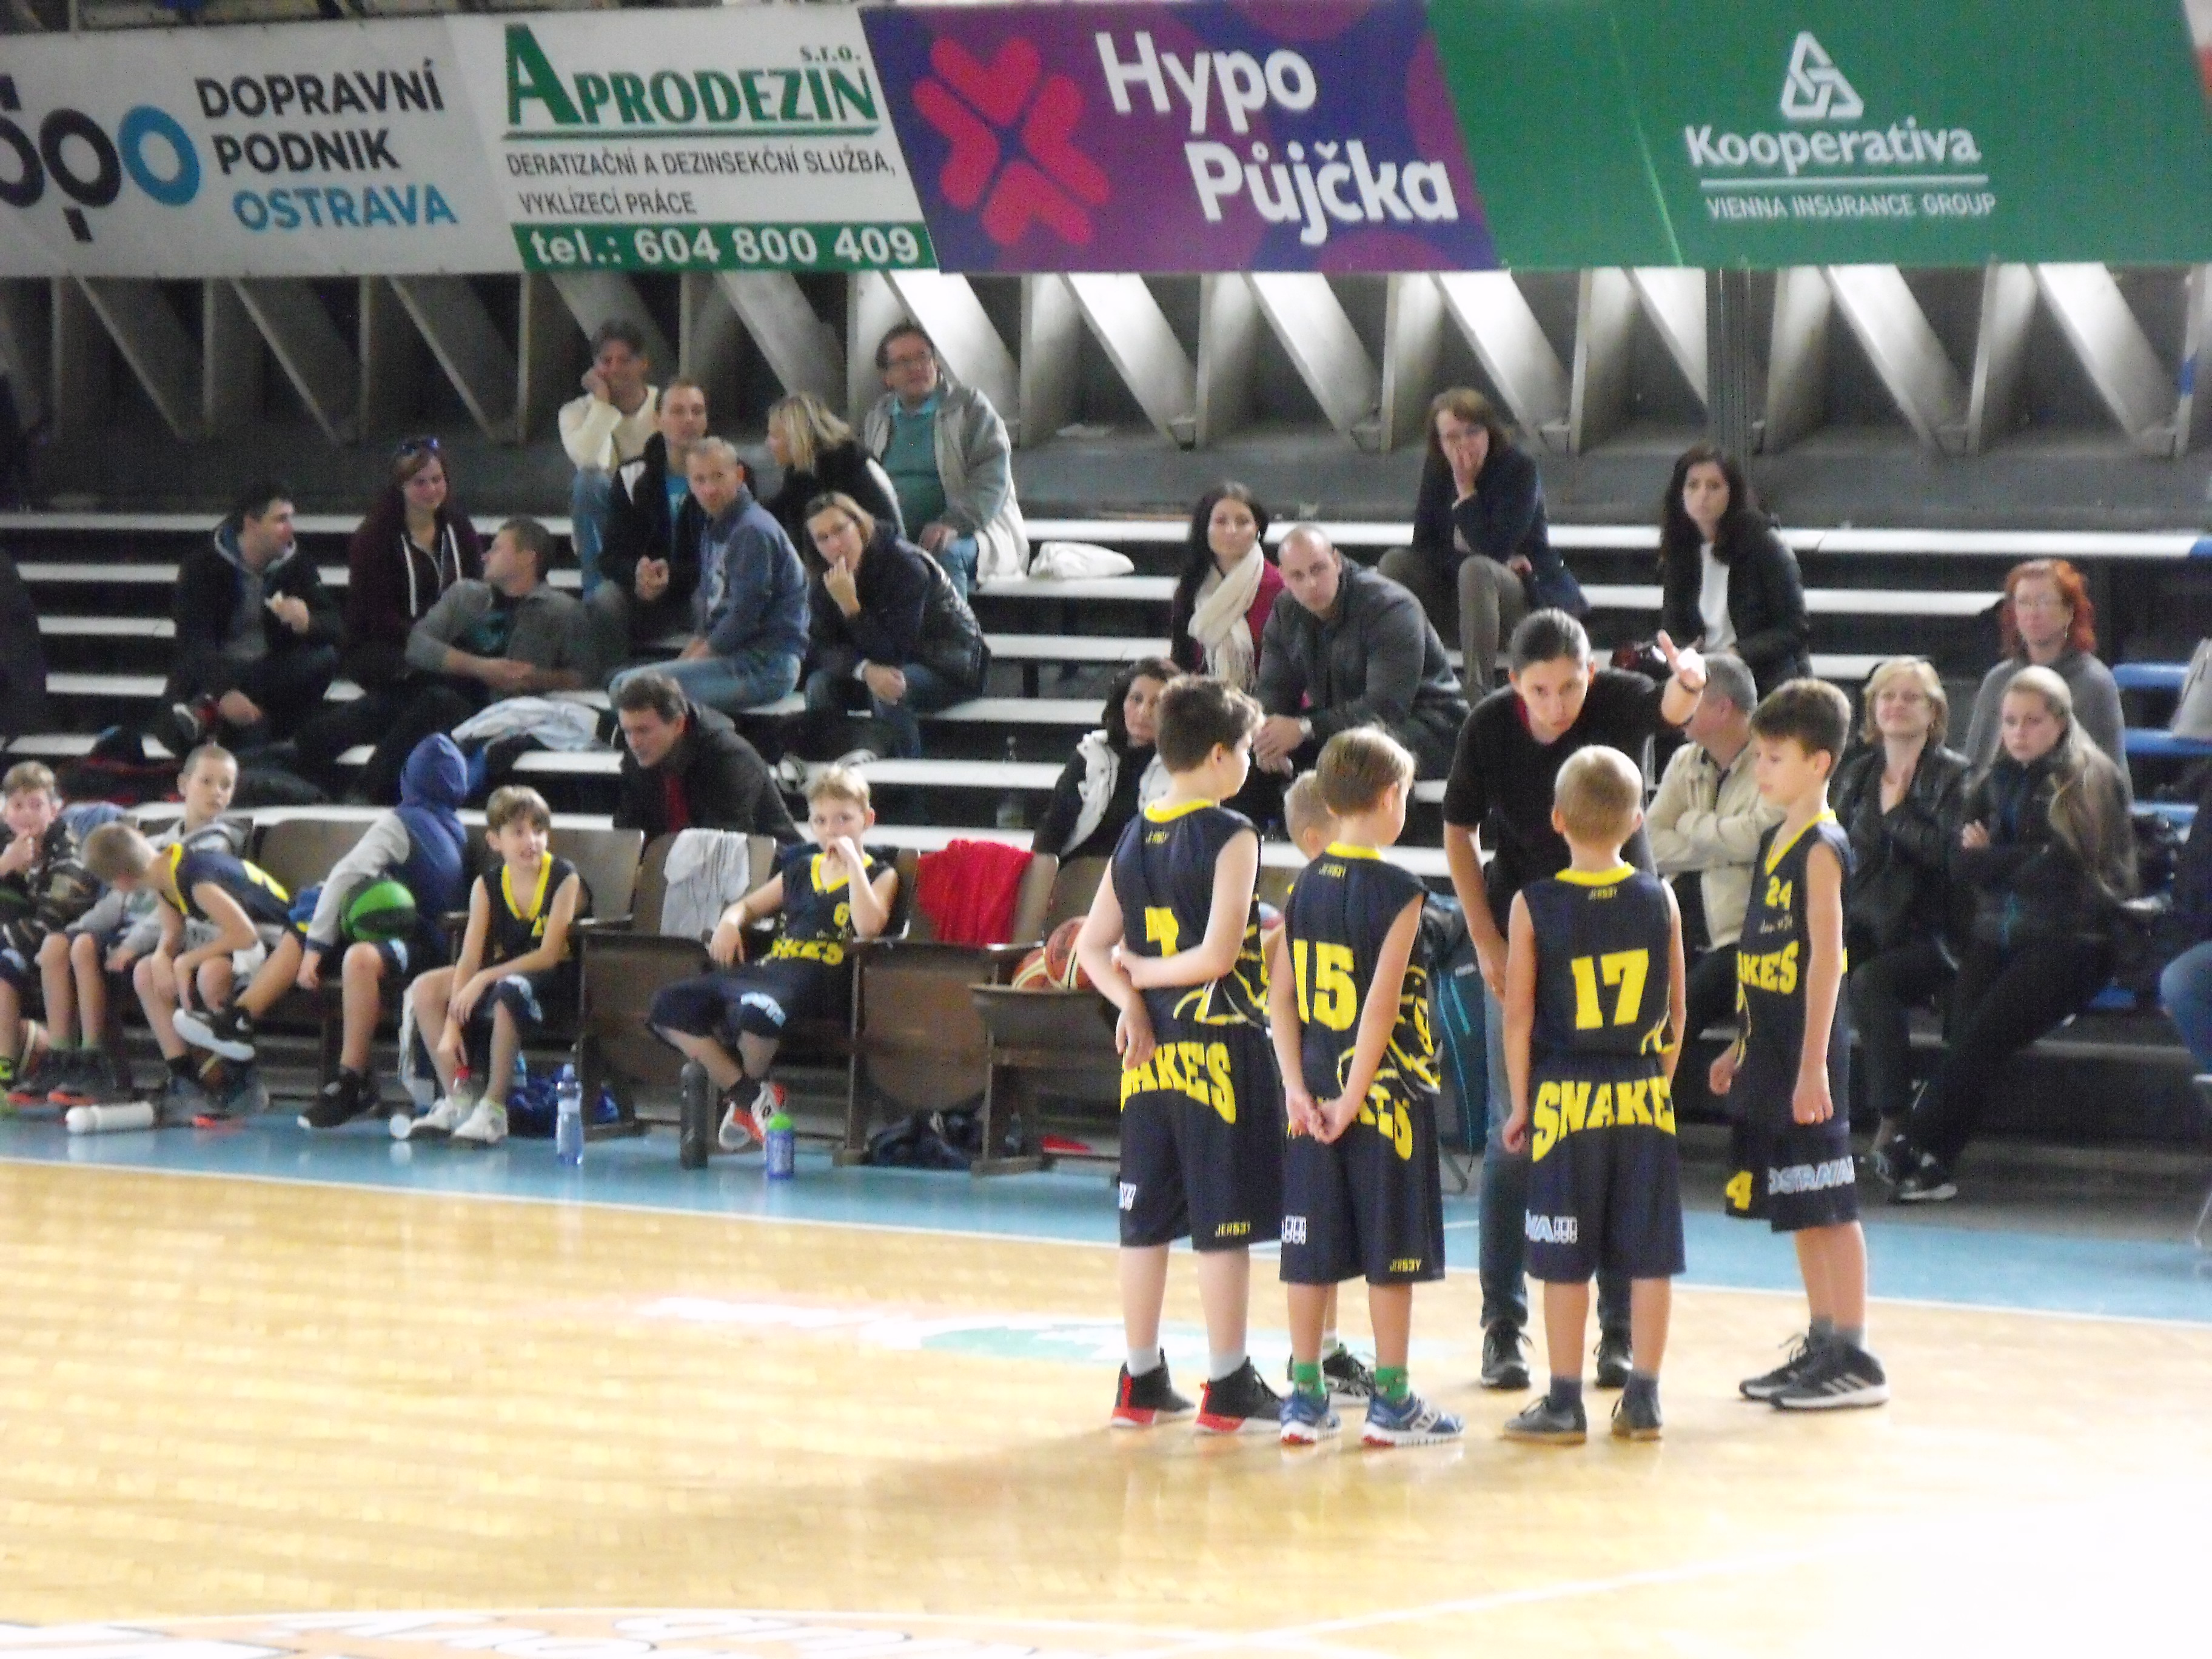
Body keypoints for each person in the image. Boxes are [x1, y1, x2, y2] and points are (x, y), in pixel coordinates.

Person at [1440, 608, 1706, 1392]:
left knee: (1617, 1146)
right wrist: (1485, 938)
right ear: (1514, 684)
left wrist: (1692, 682)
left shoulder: (1616, 696)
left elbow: (1673, 708)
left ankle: (1617, 1334)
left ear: (1591, 673)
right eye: (1540, 691)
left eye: (1569, 687)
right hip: (1529, 930)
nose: (1557, 705)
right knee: (1513, 1137)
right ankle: (1503, 1326)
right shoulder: (1490, 727)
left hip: (1621, 924)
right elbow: (1458, 832)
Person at [1074, 676, 1282, 1433]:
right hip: (1215, 1047)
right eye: (1246, 752)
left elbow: (1090, 947)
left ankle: (1139, 1378)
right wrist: (1147, 976)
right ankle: (1227, 1383)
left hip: (1147, 1054)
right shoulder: (1234, 834)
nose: (1249, 765)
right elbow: (1219, 956)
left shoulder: (1136, 831)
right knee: (1223, 1226)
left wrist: (1130, 998)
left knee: (1146, 1219)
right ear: (1221, 755)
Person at [1271, 728, 1462, 1449]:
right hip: (1379, 1102)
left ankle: (1306, 1396)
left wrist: (1296, 1088)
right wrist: (1352, 1100)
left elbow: (1281, 997)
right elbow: (1380, 1008)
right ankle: (1393, 1401)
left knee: (1309, 1250)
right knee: (1391, 1255)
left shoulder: (1303, 885)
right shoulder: (1400, 891)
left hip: (1311, 1097)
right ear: (1389, 799)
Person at [1882, 667, 2134, 1202]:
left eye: (2033, 722)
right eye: (2011, 721)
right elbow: (1960, 863)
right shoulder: (1992, 779)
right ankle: (1934, 1162)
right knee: (1963, 1034)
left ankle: (1913, 1142)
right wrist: (2005, 860)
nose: (2019, 733)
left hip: (2072, 939)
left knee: (1982, 1036)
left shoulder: (2086, 779)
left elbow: (2065, 869)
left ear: (2060, 723)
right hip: (1997, 932)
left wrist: (1991, 858)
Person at [1499, 745, 1687, 1444]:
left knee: (1564, 1256)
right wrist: (1657, 1086)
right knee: (1650, 1256)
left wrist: (1522, 1103)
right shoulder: (1661, 898)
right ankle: (1645, 1397)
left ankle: (1563, 1400)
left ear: (1557, 819)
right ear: (1637, 821)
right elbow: (1676, 1013)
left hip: (1567, 1096)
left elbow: (1518, 1016)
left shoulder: (1532, 904)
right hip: (1640, 1091)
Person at [1709, 678, 1886, 1409]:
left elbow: (1825, 961)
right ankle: (1822, 1340)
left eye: (1774, 758)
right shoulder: (1774, 838)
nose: (1760, 769)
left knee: (1830, 1204)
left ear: (1819, 763)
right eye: (1758, 756)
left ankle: (1855, 1354)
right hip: (1773, 1048)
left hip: (1809, 1057)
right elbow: (1761, 953)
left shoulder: (1821, 847)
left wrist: (1815, 1065)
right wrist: (1740, 1043)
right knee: (1800, 1206)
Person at [652, 766, 897, 1153]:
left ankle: (748, 1105)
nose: (832, 830)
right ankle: (750, 1097)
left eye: (844, 819)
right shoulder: (800, 868)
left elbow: (868, 926)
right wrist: (730, 922)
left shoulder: (880, 874)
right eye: (821, 821)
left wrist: (853, 864)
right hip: (775, 967)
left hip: (824, 977)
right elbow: (747, 906)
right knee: (668, 1005)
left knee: (758, 1012)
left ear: (867, 820)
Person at [289, 735, 471, 1130]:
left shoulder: (400, 822)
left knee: (358, 959)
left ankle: (351, 1081)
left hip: (423, 945)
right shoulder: (457, 827)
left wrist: (315, 947)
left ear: (408, 778)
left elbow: (344, 875)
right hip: (447, 948)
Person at [49, 745, 244, 1109]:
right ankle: (85, 1060)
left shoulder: (217, 846)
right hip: (145, 938)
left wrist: (135, 945)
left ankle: (195, 1074)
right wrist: (75, 929)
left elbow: (172, 912)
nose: (216, 792)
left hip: (189, 938)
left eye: (226, 785)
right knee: (73, 944)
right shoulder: (153, 844)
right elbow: (118, 900)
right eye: (206, 781)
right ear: (183, 785)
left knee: (141, 969)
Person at [1829, 659, 1969, 1161]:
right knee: (1801, 964)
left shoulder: (1956, 776)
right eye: (1887, 696)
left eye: (1911, 697)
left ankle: (1893, 1116)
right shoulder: (1856, 773)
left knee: (1872, 981)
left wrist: (1896, 816)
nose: (1896, 705)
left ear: (1934, 711)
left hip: (1932, 934)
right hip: (1865, 921)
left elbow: (1953, 859)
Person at [82, 817, 301, 1123]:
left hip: (276, 937)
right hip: (236, 939)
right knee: (146, 971)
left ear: (121, 882)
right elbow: (172, 933)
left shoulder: (196, 879)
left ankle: (243, 1080)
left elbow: (246, 935)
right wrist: (162, 957)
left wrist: (186, 961)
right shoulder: (163, 874)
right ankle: (185, 1078)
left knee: (212, 974)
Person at [295, 440, 484, 793]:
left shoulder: (459, 527)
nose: (431, 490)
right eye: (420, 483)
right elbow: (375, 616)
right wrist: (427, 644)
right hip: (383, 648)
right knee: (435, 696)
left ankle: (342, 764)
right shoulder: (375, 537)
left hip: (442, 654)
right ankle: (361, 781)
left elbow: (476, 587)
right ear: (400, 486)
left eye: (437, 480)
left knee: (431, 699)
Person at [360, 518, 592, 804]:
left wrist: (537, 678)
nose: (485, 556)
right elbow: (417, 646)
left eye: (496, 548)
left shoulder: (563, 611)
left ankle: (369, 792)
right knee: (371, 709)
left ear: (528, 558)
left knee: (437, 703)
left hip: (486, 709)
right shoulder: (466, 594)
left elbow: (585, 675)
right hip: (434, 691)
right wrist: (482, 668)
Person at [402, 786, 584, 1147]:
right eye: (519, 832)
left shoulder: (565, 877)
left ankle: (495, 1110)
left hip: (555, 981)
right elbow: (470, 959)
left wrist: (483, 977)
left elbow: (548, 956)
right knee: (426, 988)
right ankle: (459, 1098)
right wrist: (452, 1025)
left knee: (508, 990)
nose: (531, 840)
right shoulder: (486, 886)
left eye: (539, 830)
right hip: (503, 971)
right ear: (495, 840)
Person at [1274, 768, 1377, 1407]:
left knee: (1326, 1231)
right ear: (1318, 838)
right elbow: (1282, 998)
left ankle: (1324, 1351)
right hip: (1330, 1083)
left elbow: (1280, 999)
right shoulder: (1316, 898)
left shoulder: (1314, 896)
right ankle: (1311, 1357)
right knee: (1317, 1232)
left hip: (1320, 1081)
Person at [1379, 388, 1586, 694]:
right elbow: (1423, 547)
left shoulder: (1519, 470)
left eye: (1472, 432)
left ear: (1490, 431)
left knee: (1478, 569)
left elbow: (1493, 547)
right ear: (1439, 443)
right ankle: (1396, 686)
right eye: (1452, 437)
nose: (1464, 444)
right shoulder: (1437, 472)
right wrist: (1467, 561)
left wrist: (1466, 493)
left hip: (1519, 600)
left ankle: (1477, 695)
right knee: (1395, 563)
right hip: (1456, 598)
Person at [607, 439, 806, 719]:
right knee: (626, 683)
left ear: (739, 475)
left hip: (765, 666)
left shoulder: (751, 530)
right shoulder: (714, 527)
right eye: (699, 480)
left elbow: (744, 616)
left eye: (718, 477)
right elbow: (710, 618)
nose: (709, 489)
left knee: (629, 690)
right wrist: (682, 665)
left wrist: (680, 672)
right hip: (734, 658)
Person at [1253, 526, 1469, 783]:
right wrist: (1268, 740)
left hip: (1428, 726)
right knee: (1245, 760)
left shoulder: (1390, 606)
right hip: (1341, 725)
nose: (1311, 584)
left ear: (1336, 562)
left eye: (1318, 569)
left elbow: (1386, 707)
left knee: (1358, 758)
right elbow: (1273, 690)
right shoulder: (1285, 610)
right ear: (1284, 577)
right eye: (1297, 576)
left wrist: (1304, 728)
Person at [1645, 654, 1778, 1059]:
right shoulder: (1685, 759)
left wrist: (1690, 824)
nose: (1677, 705)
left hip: (1744, 938)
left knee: (1667, 1027)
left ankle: (1655, 1095)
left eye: (1692, 698)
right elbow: (1650, 843)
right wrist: (1725, 850)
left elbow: (1758, 842)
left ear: (1722, 708)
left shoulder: (1774, 760)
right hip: (1679, 927)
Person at [797, 493, 990, 763]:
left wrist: (850, 607)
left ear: (860, 526)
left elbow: (894, 652)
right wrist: (864, 670)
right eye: (822, 538)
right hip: (884, 665)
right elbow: (819, 649)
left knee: (890, 688)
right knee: (820, 685)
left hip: (949, 664)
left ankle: (904, 782)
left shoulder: (905, 565)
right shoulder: (824, 579)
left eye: (840, 530)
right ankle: (834, 775)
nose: (835, 544)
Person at [158, 480, 341, 755]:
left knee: (322, 658)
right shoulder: (202, 566)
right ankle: (217, 710)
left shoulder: (297, 565)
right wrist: (225, 692)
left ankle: (207, 709)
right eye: (280, 520)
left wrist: (309, 622)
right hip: (218, 671)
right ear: (252, 523)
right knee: (188, 721)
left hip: (271, 678)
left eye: (290, 519)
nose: (290, 529)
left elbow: (337, 626)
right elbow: (194, 643)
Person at [860, 322, 1027, 596]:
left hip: (970, 532)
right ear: (887, 377)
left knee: (944, 552)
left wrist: (952, 523)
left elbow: (992, 480)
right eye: (903, 362)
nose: (917, 367)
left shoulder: (970, 407)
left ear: (935, 362)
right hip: (898, 535)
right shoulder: (878, 417)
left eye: (923, 356)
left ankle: (955, 625)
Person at [1960, 558, 2131, 801]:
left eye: (2044, 602)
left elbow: (2111, 781)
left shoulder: (2094, 683)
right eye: (2023, 602)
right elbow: (1973, 772)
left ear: (2069, 612)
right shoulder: (1997, 681)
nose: (2033, 613)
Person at [1656, 444, 1809, 697]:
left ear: (1733, 493)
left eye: (1714, 486)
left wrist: (1736, 653)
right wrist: (1685, 651)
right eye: (1693, 485)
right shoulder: (1680, 551)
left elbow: (1794, 628)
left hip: (1766, 679)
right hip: (1707, 678)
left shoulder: (1764, 543)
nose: (1702, 495)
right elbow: (1674, 626)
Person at [587, 378, 708, 675]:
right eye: (678, 411)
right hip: (645, 596)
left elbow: (729, 559)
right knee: (604, 598)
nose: (689, 420)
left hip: (698, 591)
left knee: (711, 596)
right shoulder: (632, 475)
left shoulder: (727, 475)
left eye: (697, 411)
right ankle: (616, 678)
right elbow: (611, 556)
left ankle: (703, 678)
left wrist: (672, 576)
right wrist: (637, 574)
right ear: (658, 420)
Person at [0, 763, 99, 1098]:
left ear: (55, 810)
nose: (26, 814)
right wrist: (4, 866)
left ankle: (4, 1069)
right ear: (5, 811)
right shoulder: (5, 844)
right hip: (16, 939)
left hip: (59, 945)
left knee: (5, 965)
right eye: (17, 805)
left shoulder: (69, 855)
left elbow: (49, 925)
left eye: (36, 805)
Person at [612, 672, 799, 843]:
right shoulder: (638, 760)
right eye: (627, 731)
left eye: (643, 731)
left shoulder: (728, 758)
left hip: (770, 864)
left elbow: (722, 844)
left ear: (678, 724)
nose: (634, 743)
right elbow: (628, 836)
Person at [1032, 658, 1174, 862]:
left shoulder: (1181, 763)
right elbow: (1053, 827)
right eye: (1136, 699)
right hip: (1080, 870)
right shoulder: (1092, 752)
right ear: (1122, 701)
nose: (1144, 711)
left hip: (1143, 874)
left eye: (1157, 702)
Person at [560, 320, 660, 595]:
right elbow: (590, 460)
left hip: (655, 521)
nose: (615, 369)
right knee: (588, 482)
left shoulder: (665, 406)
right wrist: (602, 404)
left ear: (643, 364)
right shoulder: (574, 413)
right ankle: (598, 594)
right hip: (608, 525)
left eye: (624, 360)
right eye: (606, 361)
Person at [1169, 483, 1282, 695]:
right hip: (1202, 704)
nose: (1231, 531)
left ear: (1258, 529)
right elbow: (1181, 661)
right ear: (1205, 528)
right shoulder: (1191, 586)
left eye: (1243, 522)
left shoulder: (1280, 589)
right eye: (1221, 521)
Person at [762, 390, 902, 555]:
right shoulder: (799, 474)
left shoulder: (852, 467)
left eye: (775, 436)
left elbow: (886, 531)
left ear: (796, 438)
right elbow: (775, 514)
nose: (768, 443)